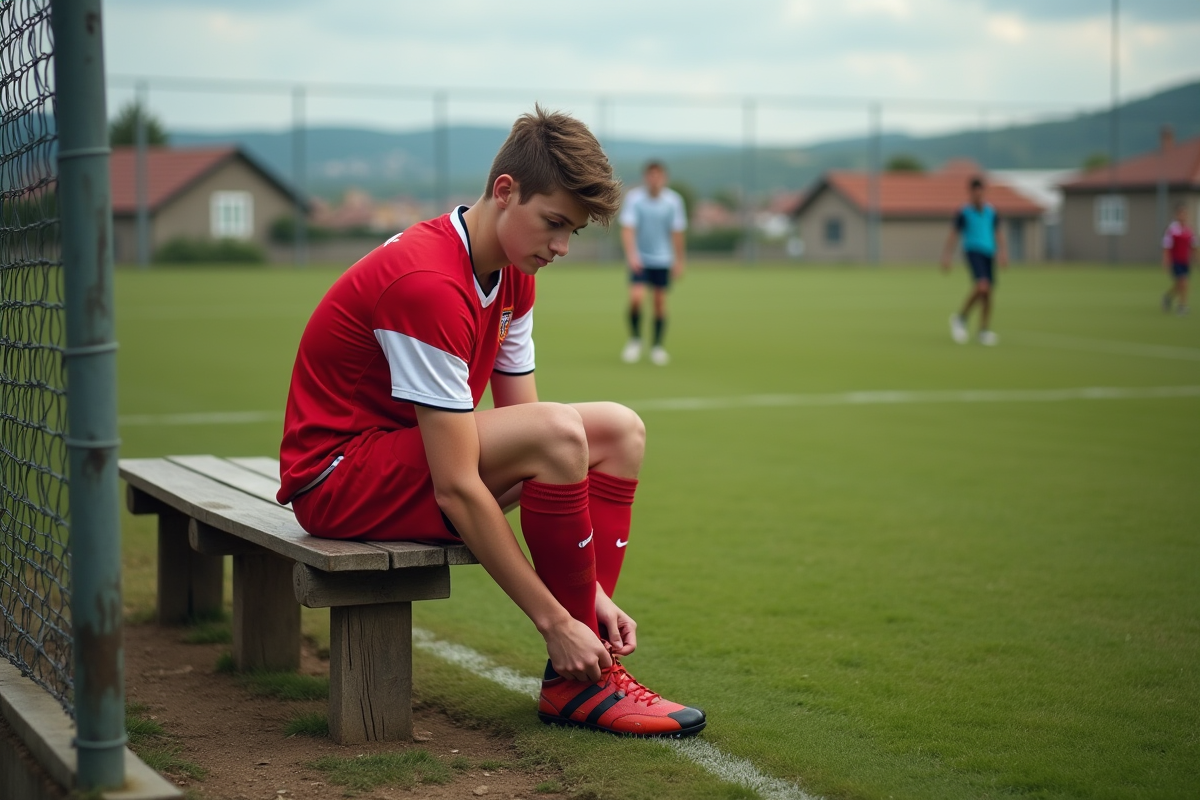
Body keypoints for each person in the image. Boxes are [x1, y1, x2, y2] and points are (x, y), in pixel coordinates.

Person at [276, 106, 705, 739]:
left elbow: (529, 426)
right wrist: (555, 621)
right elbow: (459, 484)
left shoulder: (512, 273)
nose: (561, 247)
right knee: (559, 433)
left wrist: (588, 595)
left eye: (572, 231)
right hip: (338, 482)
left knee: (619, 430)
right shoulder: (428, 282)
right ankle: (580, 680)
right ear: (505, 191)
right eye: (553, 223)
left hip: (406, 463)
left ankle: (585, 671)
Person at [619, 161, 687, 365]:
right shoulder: (635, 199)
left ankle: (657, 347)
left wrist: (679, 260)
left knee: (659, 303)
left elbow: (677, 232)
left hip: (663, 259)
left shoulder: (673, 201)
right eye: (651, 175)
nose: (654, 179)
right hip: (641, 258)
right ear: (645, 177)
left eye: (658, 175)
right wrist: (632, 255)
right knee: (636, 299)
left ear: (664, 178)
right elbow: (628, 229)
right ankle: (635, 340)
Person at [940, 176, 1007, 346]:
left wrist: (1003, 253)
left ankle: (983, 330)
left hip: (989, 252)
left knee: (988, 293)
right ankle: (960, 318)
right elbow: (954, 234)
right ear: (970, 192)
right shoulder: (964, 212)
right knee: (982, 286)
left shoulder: (991, 211)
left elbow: (997, 232)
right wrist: (947, 256)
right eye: (975, 192)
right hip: (973, 250)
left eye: (981, 192)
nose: (978, 195)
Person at [1161, 203, 1193, 315]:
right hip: (1176, 261)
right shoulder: (1172, 230)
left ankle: (1167, 297)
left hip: (1185, 261)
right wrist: (1165, 260)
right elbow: (1166, 246)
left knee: (1180, 284)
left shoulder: (1188, 230)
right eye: (1181, 213)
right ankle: (1182, 306)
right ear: (1177, 215)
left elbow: (1194, 245)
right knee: (1183, 282)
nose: (1183, 216)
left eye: (1185, 214)